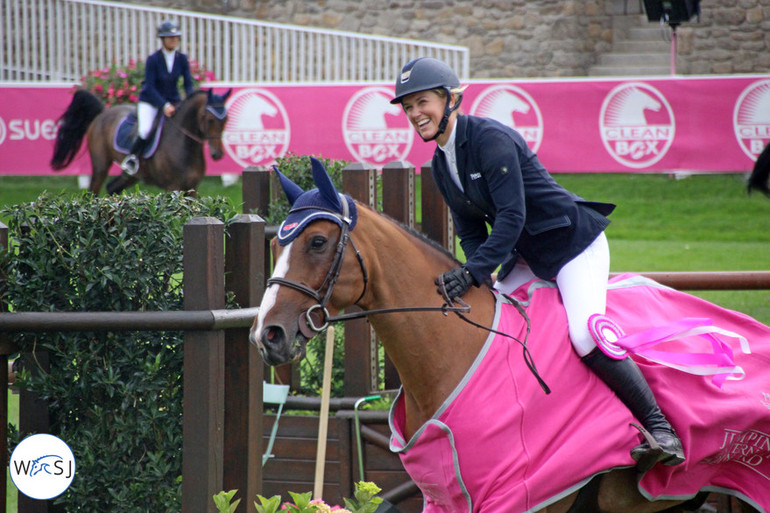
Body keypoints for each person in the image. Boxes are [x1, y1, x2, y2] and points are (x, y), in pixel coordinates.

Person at [390, 57, 685, 470]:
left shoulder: (490, 140)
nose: (415, 113)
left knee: (584, 336)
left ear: (451, 99)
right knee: (490, 331)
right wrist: (478, 277)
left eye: (422, 102)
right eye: (408, 107)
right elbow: (471, 229)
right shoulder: (441, 163)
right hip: (526, 255)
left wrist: (475, 271)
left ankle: (662, 430)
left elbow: (512, 216)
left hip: (572, 245)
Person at [120, 19, 195, 175]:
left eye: (176, 37)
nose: (174, 40)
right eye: (170, 37)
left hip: (174, 101)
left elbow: (188, 83)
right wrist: (164, 105)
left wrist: (190, 100)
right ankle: (132, 158)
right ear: (163, 39)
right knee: (145, 129)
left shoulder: (182, 59)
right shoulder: (153, 59)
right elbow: (149, 86)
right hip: (151, 101)